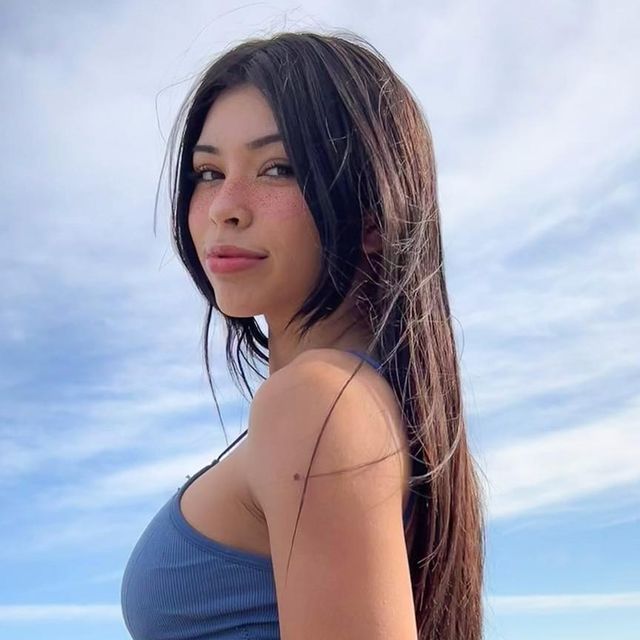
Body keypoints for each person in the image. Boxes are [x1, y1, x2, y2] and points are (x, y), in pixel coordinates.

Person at [121, 30, 485, 640]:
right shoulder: (373, 402)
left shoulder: (317, 402)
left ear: (373, 214)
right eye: (208, 172)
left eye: (278, 168)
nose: (224, 208)